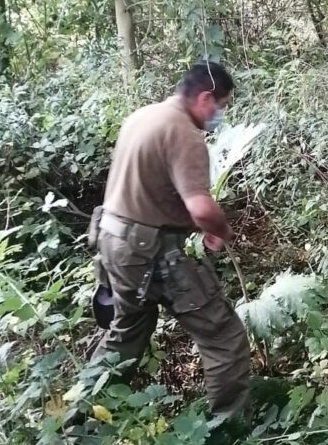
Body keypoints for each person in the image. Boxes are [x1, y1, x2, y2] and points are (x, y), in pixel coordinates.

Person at [87, 61, 250, 420]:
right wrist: (222, 230)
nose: (220, 115)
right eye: (221, 106)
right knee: (224, 336)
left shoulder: (142, 117)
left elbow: (150, 189)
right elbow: (201, 208)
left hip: (112, 241)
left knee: (127, 332)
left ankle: (78, 419)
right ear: (205, 98)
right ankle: (229, 428)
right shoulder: (183, 133)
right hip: (150, 250)